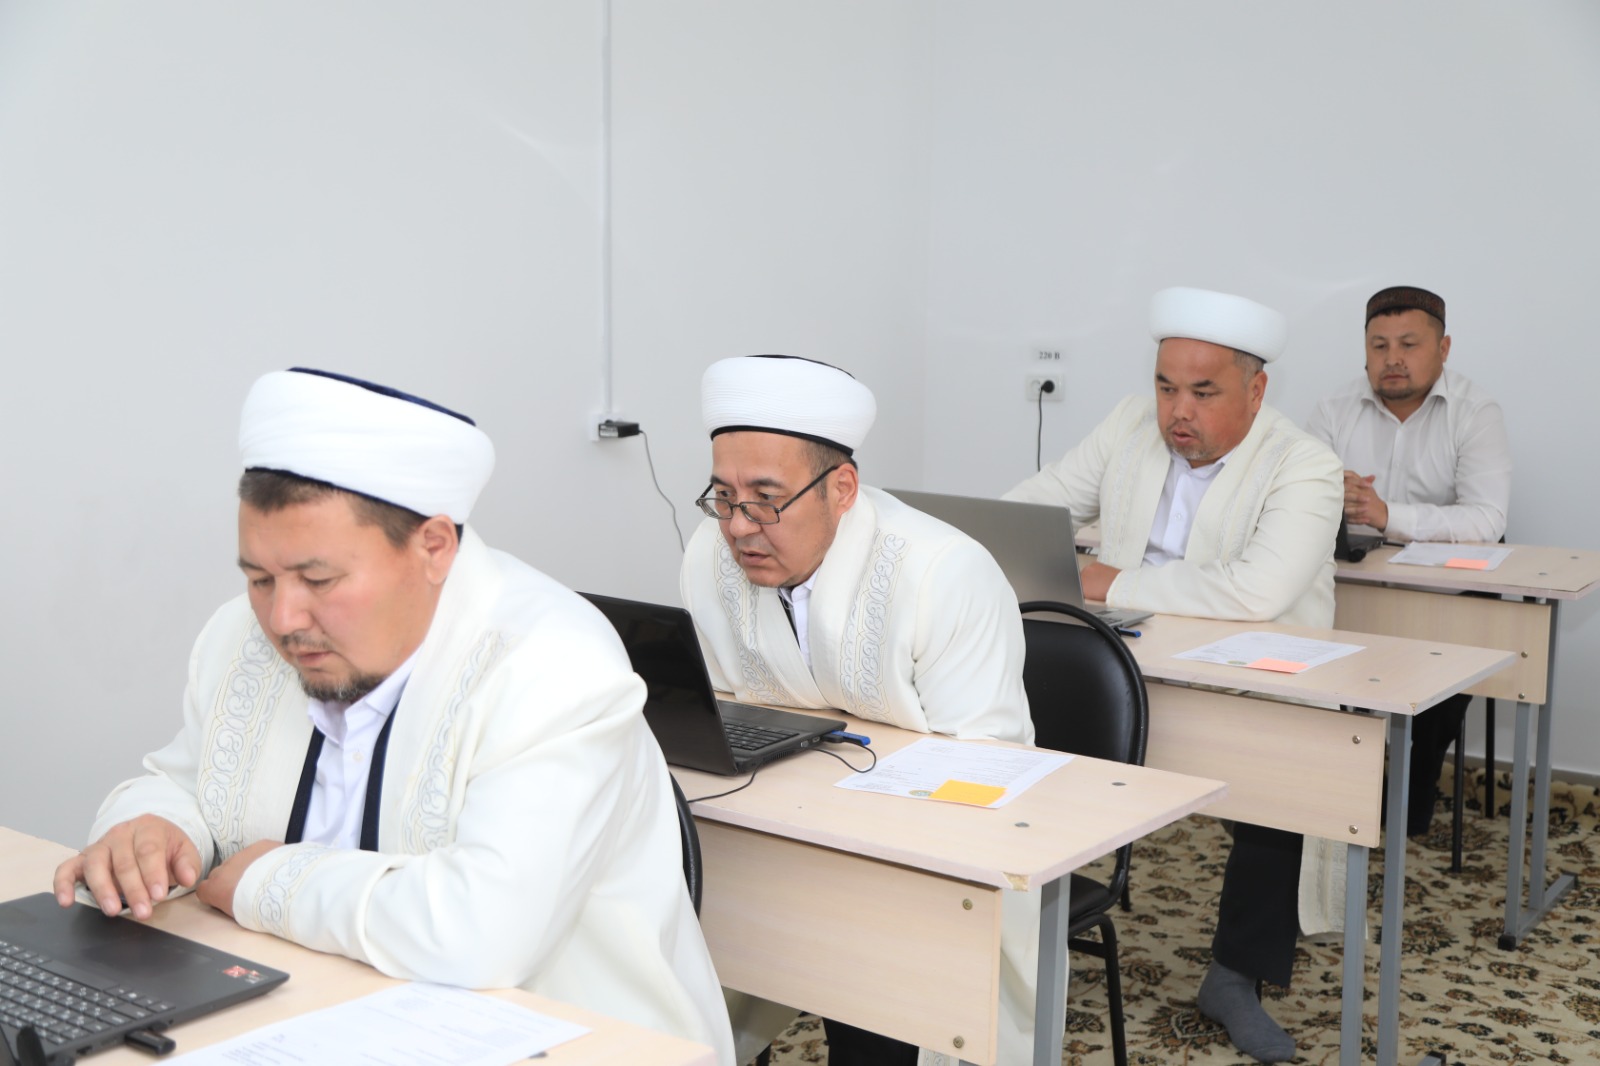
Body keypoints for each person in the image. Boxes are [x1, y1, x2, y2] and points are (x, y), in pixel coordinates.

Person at [52, 368, 735, 1064]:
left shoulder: (553, 661)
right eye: (259, 578)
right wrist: (152, 828)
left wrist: (267, 881)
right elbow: (184, 779)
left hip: (569, 1042)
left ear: (434, 547)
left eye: (319, 580)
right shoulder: (240, 633)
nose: (282, 618)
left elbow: (481, 932)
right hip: (312, 1019)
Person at [1006, 287, 1343, 1064]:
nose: (1176, 411)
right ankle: (1017, 926)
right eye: (1165, 387)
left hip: (1253, 676)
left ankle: (1235, 976)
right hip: (1127, 655)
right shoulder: (1130, 423)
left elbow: (1254, 592)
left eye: (1203, 392)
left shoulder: (1305, 465)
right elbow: (1037, 505)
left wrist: (1106, 580)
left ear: (1256, 390)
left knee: (1281, 799)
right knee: (1012, 733)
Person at [678, 354, 1033, 1066]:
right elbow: (718, 714)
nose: (739, 527)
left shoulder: (942, 571)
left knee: (878, 1016)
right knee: (674, 965)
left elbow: (985, 766)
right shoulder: (708, 558)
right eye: (723, 497)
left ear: (842, 489)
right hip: (772, 840)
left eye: (766, 499)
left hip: (918, 865)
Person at [1307, 285, 1511, 835]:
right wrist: (1326, 497)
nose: (1392, 359)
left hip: (1442, 597)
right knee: (1305, 655)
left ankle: (1412, 790)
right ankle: (1321, 792)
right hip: (1350, 587)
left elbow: (1487, 519)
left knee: (1445, 671)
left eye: (1408, 344)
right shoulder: (1332, 410)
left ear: (1443, 349)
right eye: (1379, 346)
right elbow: (1292, 501)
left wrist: (1386, 514)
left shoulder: (1476, 411)